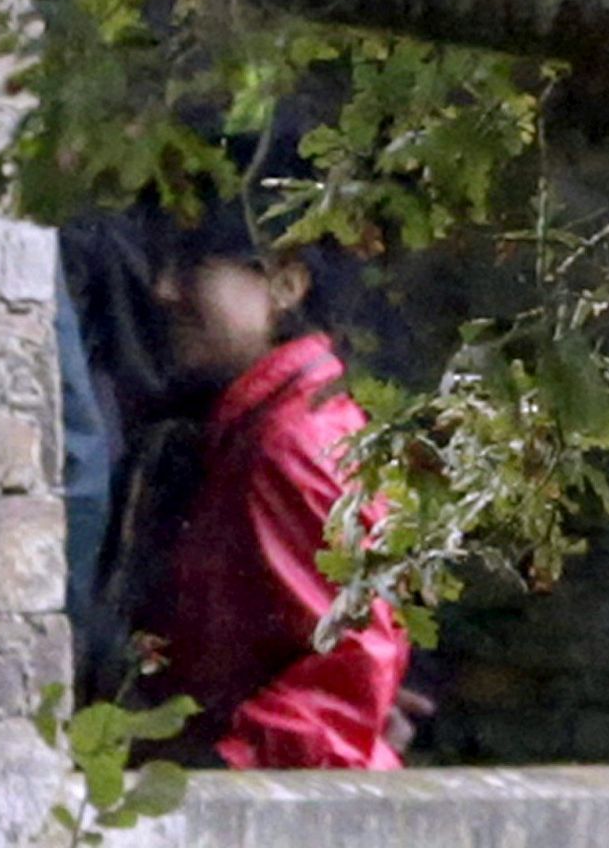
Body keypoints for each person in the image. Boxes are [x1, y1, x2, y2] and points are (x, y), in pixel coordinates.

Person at [124, 196, 411, 770]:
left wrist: (217, 780)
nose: (163, 290)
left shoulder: (290, 442)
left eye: (192, 267)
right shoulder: (274, 425)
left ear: (285, 285)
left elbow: (350, 658)